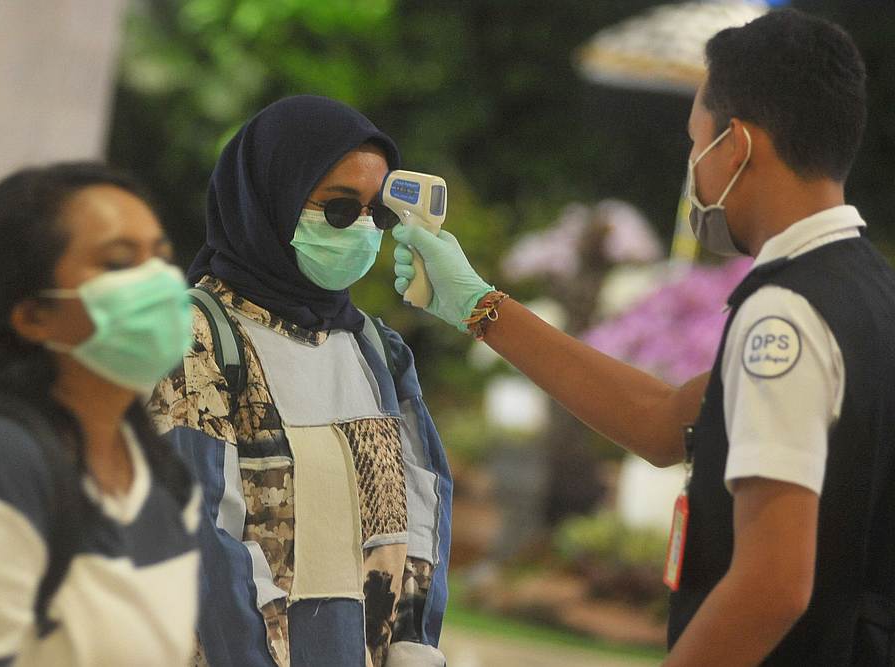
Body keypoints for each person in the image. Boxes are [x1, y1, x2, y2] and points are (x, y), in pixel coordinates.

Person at [392, 9, 895, 666]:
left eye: (696, 143)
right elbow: (664, 421)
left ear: (736, 145)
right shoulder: (868, 288)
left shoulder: (787, 315)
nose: (695, 166)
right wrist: (479, 305)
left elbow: (772, 585)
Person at [148, 95, 452, 667]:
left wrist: (414, 640)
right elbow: (198, 533)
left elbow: (424, 501)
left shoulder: (376, 350)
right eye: (339, 210)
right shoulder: (195, 336)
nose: (361, 230)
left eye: (376, 214)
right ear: (271, 198)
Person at [0, 163, 200, 666]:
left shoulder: (161, 475)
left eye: (161, 257)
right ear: (33, 316)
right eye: (120, 263)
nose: (161, 282)